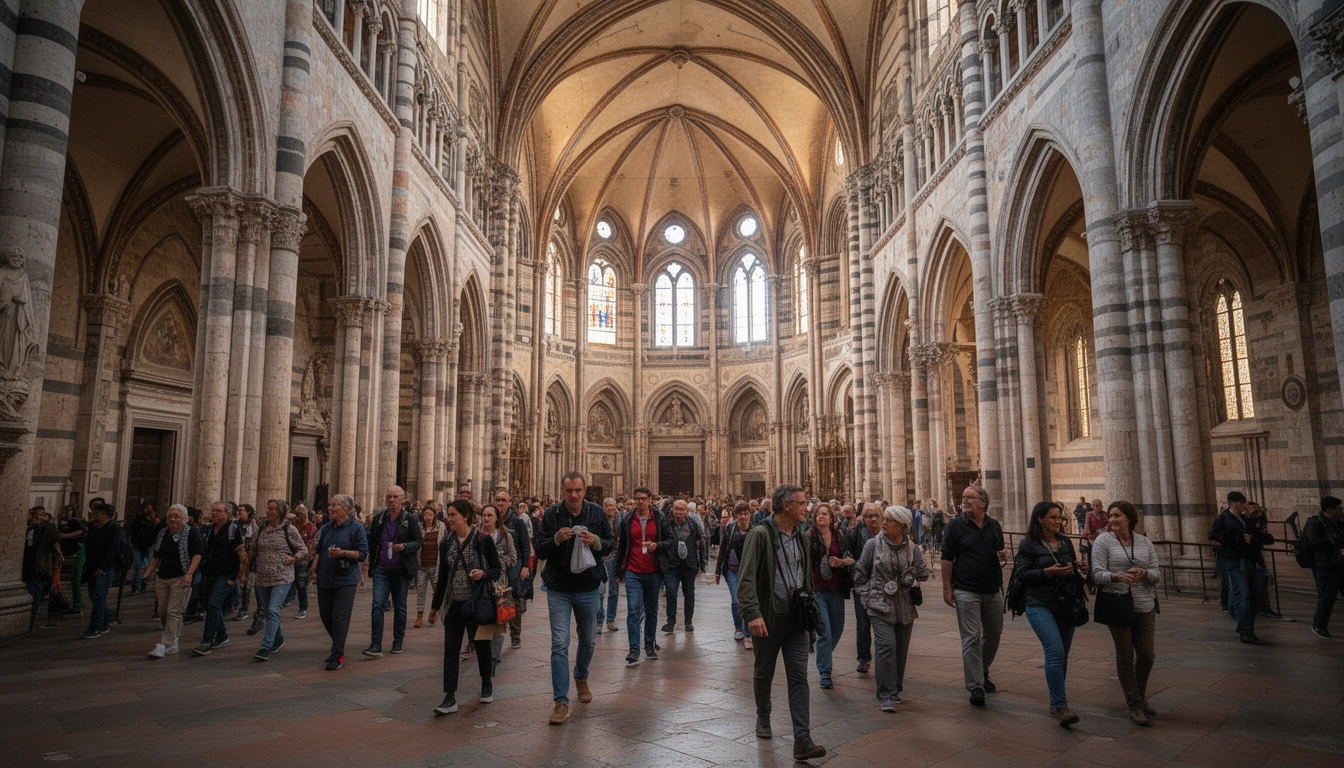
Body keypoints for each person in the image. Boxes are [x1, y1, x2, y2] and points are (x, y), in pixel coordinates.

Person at [737, 484, 826, 761]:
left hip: (796, 619)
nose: (806, 508)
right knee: (764, 671)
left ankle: (802, 738)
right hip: (769, 618)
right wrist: (752, 613)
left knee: (799, 677)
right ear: (787, 505)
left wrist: (811, 608)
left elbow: (805, 578)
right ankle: (763, 715)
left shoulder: (802, 537)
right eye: (802, 503)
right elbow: (746, 578)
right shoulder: (760, 535)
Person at [534, 472, 614, 725]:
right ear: (562, 491)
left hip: (588, 586)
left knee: (588, 640)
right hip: (559, 588)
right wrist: (555, 539)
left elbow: (610, 544)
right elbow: (540, 549)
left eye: (578, 490)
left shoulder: (596, 513)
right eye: (569, 490)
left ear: (584, 491)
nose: (573, 495)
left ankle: (581, 676)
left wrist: (596, 541)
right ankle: (561, 700)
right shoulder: (551, 514)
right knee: (559, 643)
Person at [429, 500, 503, 715]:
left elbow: (496, 569)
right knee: (451, 649)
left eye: (453, 515)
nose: (449, 519)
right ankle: (449, 696)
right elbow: (443, 576)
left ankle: (486, 683)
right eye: (448, 514)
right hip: (454, 603)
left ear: (465, 516)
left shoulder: (482, 539)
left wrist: (483, 574)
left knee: (482, 645)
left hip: (477, 601)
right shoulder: (447, 541)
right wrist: (435, 606)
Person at [1092, 499, 1161, 725]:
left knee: (1147, 655)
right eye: (1110, 515)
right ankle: (1134, 703)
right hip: (1117, 602)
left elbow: (1156, 574)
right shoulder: (1103, 541)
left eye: (1117, 515)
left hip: (1144, 603)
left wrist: (1144, 572)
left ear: (1129, 518)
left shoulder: (1144, 542)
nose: (1112, 520)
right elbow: (1096, 574)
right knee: (1125, 655)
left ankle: (1140, 694)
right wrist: (1117, 576)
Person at [853, 505, 929, 711]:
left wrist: (912, 572)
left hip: (905, 606)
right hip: (879, 605)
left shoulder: (911, 547)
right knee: (886, 646)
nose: (883, 523)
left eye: (888, 520)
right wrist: (867, 599)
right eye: (884, 519)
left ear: (902, 525)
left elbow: (923, 573)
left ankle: (895, 688)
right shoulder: (872, 545)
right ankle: (886, 694)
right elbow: (860, 575)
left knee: (900, 650)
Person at [1015, 501, 1083, 727]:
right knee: (1054, 651)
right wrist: (1048, 572)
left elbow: (1070, 568)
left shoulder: (1065, 542)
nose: (1058, 521)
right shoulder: (1028, 544)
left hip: (1065, 604)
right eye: (1053, 517)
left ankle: (1055, 701)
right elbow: (1022, 574)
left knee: (1062, 654)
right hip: (1039, 603)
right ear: (1040, 519)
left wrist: (1077, 568)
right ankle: (1061, 706)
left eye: (1059, 517)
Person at [941, 484, 1006, 706]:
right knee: (971, 636)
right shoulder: (955, 525)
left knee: (994, 634)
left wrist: (1002, 556)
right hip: (965, 589)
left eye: (970, 497)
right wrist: (947, 587)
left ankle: (982, 669)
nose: (965, 501)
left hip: (992, 589)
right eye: (963, 497)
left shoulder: (994, 526)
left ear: (982, 503)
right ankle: (976, 685)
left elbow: (999, 554)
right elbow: (946, 558)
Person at [310, 494, 368, 670]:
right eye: (330, 505)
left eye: (334, 505)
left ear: (345, 509)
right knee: (325, 615)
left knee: (340, 618)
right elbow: (319, 549)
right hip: (325, 577)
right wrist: (314, 566)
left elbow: (362, 554)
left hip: (345, 579)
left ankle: (338, 653)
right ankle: (337, 643)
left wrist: (343, 553)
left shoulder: (356, 528)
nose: (330, 508)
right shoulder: (327, 527)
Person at [364, 486, 423, 657]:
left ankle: (398, 640)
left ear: (402, 499)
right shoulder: (379, 518)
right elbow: (373, 541)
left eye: (395, 497)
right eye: (388, 497)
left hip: (401, 570)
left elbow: (418, 541)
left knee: (400, 606)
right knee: (377, 605)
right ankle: (375, 644)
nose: (391, 500)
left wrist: (404, 546)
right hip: (382, 569)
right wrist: (370, 560)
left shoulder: (409, 519)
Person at [248, 499, 307, 661]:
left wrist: (293, 558)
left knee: (273, 610)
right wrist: (244, 571)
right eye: (268, 508)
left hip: (282, 576)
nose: (269, 511)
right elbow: (252, 551)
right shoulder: (261, 529)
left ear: (281, 512)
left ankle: (266, 646)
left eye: (273, 509)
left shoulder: (289, 529)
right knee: (269, 611)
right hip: (263, 576)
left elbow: (303, 549)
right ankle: (278, 639)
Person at [1209, 490, 1271, 643]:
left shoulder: (1247, 520)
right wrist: (1234, 537)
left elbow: (1266, 537)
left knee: (1255, 596)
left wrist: (1253, 538)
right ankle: (1245, 630)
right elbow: (1213, 535)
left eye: (1245, 502)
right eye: (1241, 502)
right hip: (1235, 561)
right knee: (1242, 595)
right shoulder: (1223, 519)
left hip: (1252, 560)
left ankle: (1248, 627)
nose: (1244, 505)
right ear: (1232, 503)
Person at [614, 487, 664, 664]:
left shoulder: (659, 518)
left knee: (651, 610)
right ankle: (634, 649)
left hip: (653, 571)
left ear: (650, 500)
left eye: (643, 498)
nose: (640, 502)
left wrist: (657, 546)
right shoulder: (627, 519)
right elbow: (622, 546)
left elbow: (669, 541)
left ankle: (649, 646)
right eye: (637, 499)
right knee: (633, 609)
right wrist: (618, 571)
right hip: (633, 570)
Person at [191, 502, 248, 655]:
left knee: (213, 604)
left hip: (225, 574)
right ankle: (222, 635)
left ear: (227, 514)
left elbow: (241, 554)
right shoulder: (209, 530)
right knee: (210, 606)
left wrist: (240, 575)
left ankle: (207, 641)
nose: (215, 513)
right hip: (209, 573)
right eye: (213, 510)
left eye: (219, 511)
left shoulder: (232, 529)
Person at [145, 504, 202, 659]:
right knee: (163, 612)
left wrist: (189, 574)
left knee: (173, 612)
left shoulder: (192, 532)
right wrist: (146, 574)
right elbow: (156, 555)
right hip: (163, 577)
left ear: (184, 518)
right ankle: (173, 640)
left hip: (181, 577)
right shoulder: (163, 533)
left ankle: (164, 644)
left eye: (176, 516)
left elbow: (197, 554)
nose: (172, 519)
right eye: (170, 516)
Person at [807, 504, 853, 689]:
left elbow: (850, 558)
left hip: (836, 589)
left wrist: (840, 562)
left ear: (831, 518)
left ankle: (822, 653)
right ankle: (825, 671)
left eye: (825, 514)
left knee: (837, 629)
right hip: (817, 589)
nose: (821, 516)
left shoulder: (839, 535)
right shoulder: (809, 536)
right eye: (818, 514)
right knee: (824, 631)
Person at [479, 504, 518, 676]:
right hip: (482, 583)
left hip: (500, 584)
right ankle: (485, 657)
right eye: (484, 515)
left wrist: (497, 560)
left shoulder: (505, 536)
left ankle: (494, 657)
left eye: (490, 515)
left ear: (496, 518)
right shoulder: (477, 536)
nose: (486, 518)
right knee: (484, 620)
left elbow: (513, 559)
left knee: (500, 621)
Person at [660, 499, 706, 634]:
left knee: (689, 593)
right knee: (670, 592)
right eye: (676, 509)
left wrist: (702, 564)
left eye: (682, 509)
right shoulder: (667, 524)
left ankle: (688, 621)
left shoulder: (693, 524)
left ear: (687, 511)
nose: (679, 512)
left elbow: (701, 543)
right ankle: (670, 622)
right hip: (672, 565)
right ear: (672, 510)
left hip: (689, 565)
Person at [846, 502, 882, 673]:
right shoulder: (856, 534)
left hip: (882, 585)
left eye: (876, 516)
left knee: (882, 623)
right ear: (863, 518)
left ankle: (883, 655)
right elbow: (849, 555)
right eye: (868, 516)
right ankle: (864, 658)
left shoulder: (887, 532)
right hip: (862, 584)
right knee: (862, 623)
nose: (872, 519)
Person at [1302, 496, 1344, 639]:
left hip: (1339, 564)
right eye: (1339, 508)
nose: (1341, 511)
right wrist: (1336, 541)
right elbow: (1315, 543)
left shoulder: (1336, 523)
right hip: (1325, 566)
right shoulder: (1315, 523)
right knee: (1327, 597)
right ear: (1329, 509)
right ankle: (1319, 625)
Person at [81, 503, 124, 640]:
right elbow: (89, 547)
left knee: (99, 595)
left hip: (106, 566)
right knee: (95, 596)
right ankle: (104, 622)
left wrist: (103, 567)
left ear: (104, 515)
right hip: (92, 565)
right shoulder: (93, 528)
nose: (93, 516)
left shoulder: (114, 528)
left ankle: (95, 627)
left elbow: (113, 549)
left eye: (96, 513)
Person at [716, 502, 755, 649]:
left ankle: (747, 634)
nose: (743, 516)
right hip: (732, 570)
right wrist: (718, 570)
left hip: (749, 572)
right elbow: (723, 548)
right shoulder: (730, 528)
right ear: (736, 515)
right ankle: (738, 628)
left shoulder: (755, 530)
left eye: (746, 513)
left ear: (750, 514)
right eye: (740, 513)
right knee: (736, 600)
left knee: (746, 601)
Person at [497, 492, 532, 649]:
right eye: (498, 500)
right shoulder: (492, 519)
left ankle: (515, 634)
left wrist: (525, 566)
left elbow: (525, 545)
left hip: (514, 566)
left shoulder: (517, 522)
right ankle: (497, 633)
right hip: (498, 567)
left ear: (509, 502)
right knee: (499, 599)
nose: (500, 503)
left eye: (503, 500)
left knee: (515, 599)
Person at [23, 506, 60, 630]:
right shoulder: (29, 528)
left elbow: (55, 537)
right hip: (27, 566)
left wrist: (46, 524)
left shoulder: (46, 529)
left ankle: (30, 621)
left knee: (34, 592)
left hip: (38, 566)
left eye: (34, 515)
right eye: (30, 515)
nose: (31, 518)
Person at [414, 506, 443, 628]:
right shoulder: (419, 527)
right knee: (421, 590)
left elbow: (443, 542)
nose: (428, 517)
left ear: (434, 515)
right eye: (426, 514)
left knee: (437, 591)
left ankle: (434, 612)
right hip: (422, 564)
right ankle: (419, 616)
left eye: (430, 514)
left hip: (435, 564)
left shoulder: (440, 526)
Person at [58, 505, 86, 615]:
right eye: (65, 510)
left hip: (75, 551)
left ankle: (77, 603)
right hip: (66, 552)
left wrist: (65, 536)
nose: (67, 512)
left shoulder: (75, 522)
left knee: (76, 579)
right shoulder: (62, 523)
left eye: (69, 510)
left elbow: (80, 531)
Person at [290, 507, 318, 619]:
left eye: (301, 514)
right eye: (297, 514)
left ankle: (303, 607)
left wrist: (308, 560)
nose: (299, 517)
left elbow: (312, 546)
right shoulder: (292, 526)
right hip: (291, 560)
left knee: (301, 585)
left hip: (303, 561)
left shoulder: (311, 527)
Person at [128, 504, 160, 595]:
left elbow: (157, 533)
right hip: (138, 545)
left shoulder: (155, 522)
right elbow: (134, 530)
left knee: (147, 566)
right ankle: (135, 587)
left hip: (149, 546)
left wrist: (154, 523)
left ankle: (143, 584)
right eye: (147, 508)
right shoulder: (138, 520)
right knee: (137, 566)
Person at [600, 498, 621, 632]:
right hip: (601, 557)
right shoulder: (599, 519)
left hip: (614, 556)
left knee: (614, 591)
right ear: (603, 507)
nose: (611, 508)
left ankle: (611, 620)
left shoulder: (620, 520)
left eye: (613, 505)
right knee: (599, 592)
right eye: (608, 505)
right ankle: (598, 620)